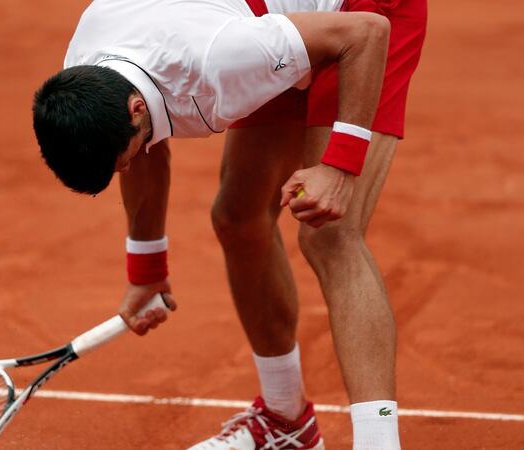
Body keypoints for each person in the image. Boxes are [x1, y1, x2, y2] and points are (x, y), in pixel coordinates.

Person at [32, 0, 420, 448]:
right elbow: (143, 149)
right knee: (238, 219)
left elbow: (365, 33)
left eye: (123, 158)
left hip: (362, 15)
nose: (128, 166)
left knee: (329, 235)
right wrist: (147, 269)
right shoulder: (87, 75)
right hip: (262, 22)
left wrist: (340, 166)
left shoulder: (219, 58)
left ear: (136, 108)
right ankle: (285, 420)